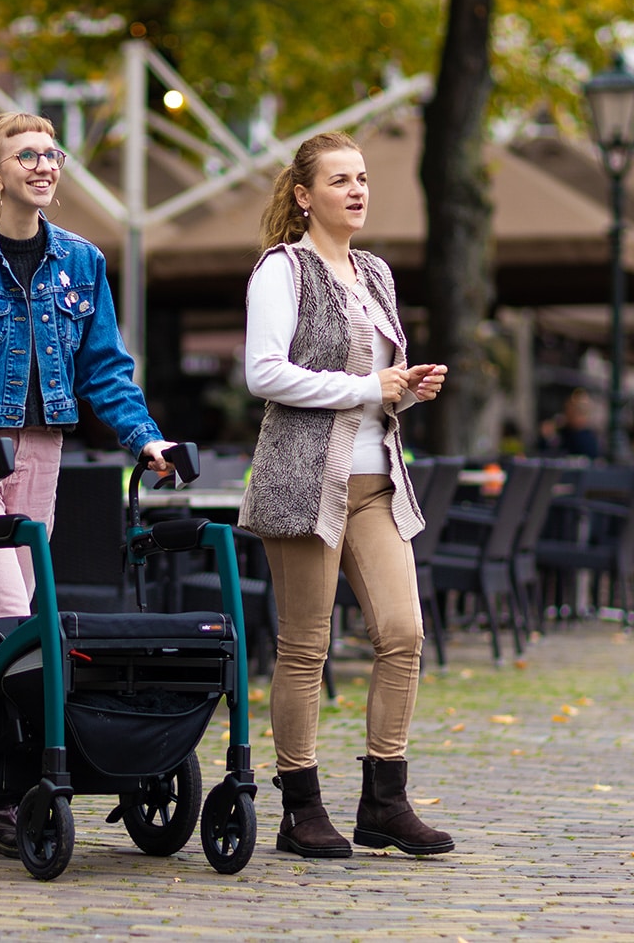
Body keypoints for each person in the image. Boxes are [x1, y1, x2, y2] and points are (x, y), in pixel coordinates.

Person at [0, 111, 173, 859]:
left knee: (3, 632)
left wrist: (143, 437)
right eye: (27, 155)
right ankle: (11, 788)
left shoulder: (82, 263)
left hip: (43, 453)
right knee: (13, 619)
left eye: (52, 153)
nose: (45, 165)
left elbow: (106, 371)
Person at [238, 131, 454, 860]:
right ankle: (301, 809)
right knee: (305, 647)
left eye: (362, 178)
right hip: (303, 482)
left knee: (405, 633)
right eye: (339, 180)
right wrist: (369, 386)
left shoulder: (375, 273)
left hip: (377, 482)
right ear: (304, 196)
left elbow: (375, 387)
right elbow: (264, 373)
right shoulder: (283, 270)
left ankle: (384, 801)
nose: (357, 190)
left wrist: (405, 391)